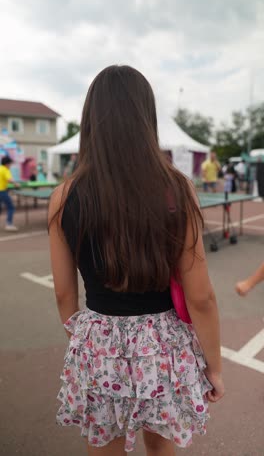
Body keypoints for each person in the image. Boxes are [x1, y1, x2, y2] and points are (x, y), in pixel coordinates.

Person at [48, 65, 224, 456]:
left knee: (104, 447)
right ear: (148, 118)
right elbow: (201, 297)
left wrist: (86, 338)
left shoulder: (65, 196)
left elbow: (64, 293)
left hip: (98, 340)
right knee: (162, 448)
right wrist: (214, 366)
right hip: (164, 345)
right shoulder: (178, 187)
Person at [0, 156, 19, 231]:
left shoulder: (0, 168)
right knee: (11, 207)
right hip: (2, 192)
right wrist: (16, 184)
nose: (10, 165)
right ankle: (9, 224)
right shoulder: (5, 170)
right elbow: (10, 179)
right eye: (10, 163)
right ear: (7, 164)